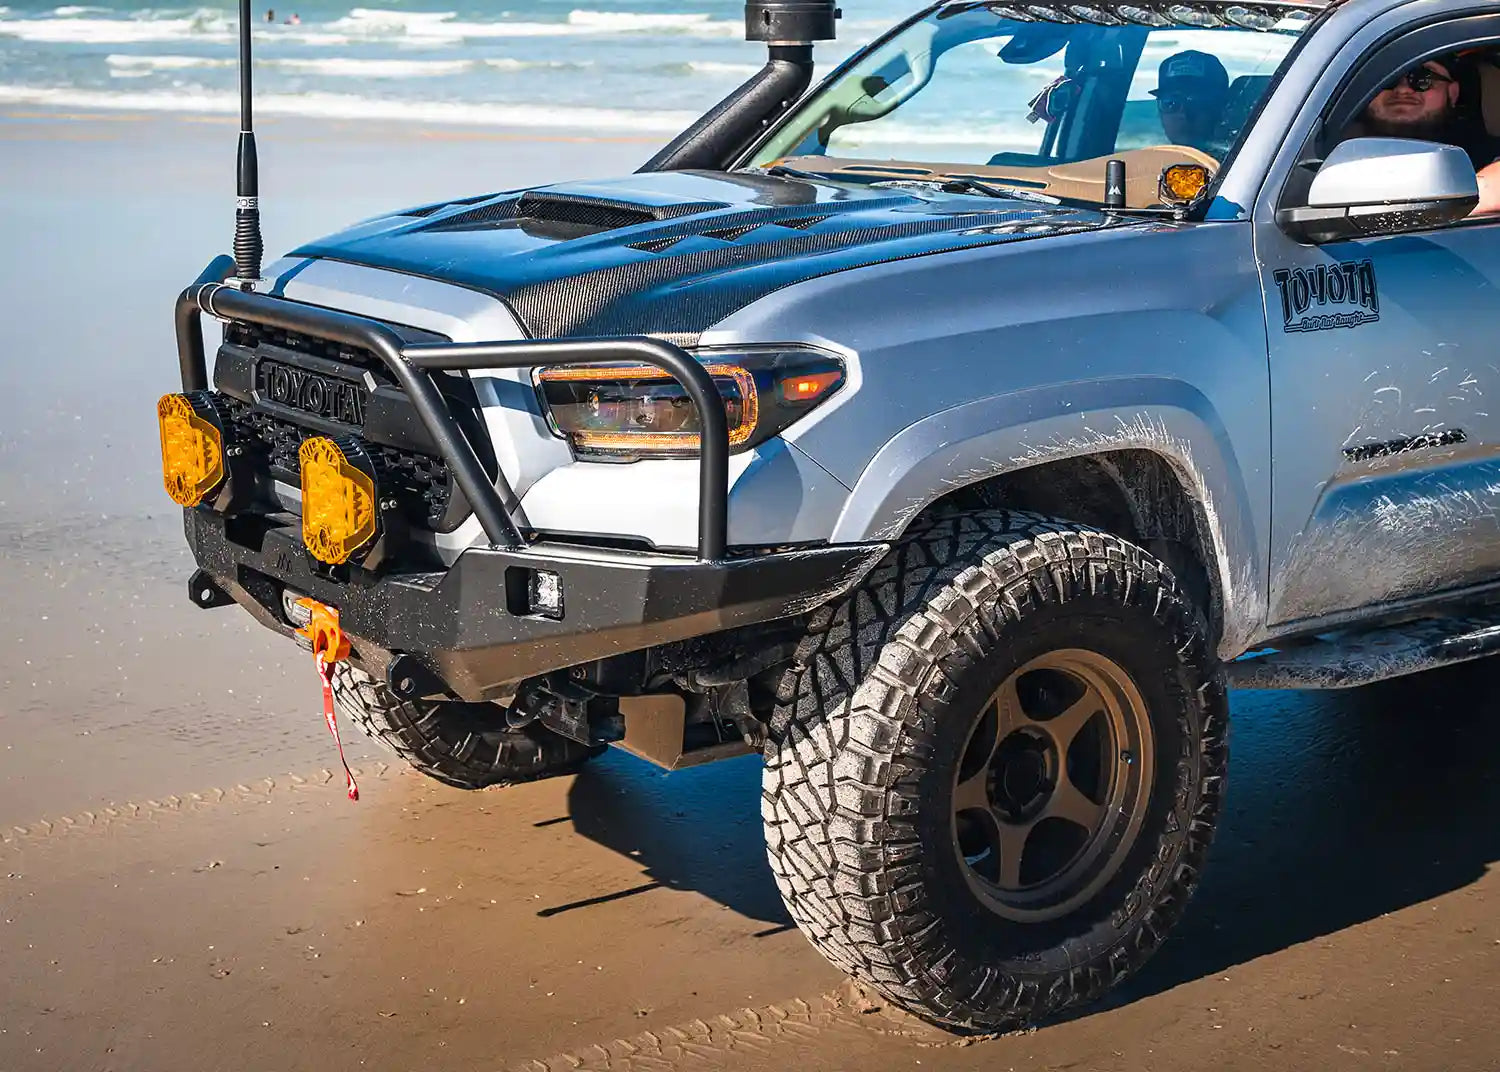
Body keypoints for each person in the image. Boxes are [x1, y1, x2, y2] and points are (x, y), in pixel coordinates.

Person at [1353, 56, 1500, 214]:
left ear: (1453, 93)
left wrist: (1479, 193)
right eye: (1388, 79)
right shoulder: (1332, 157)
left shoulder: (1487, 157)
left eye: (1422, 78)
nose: (1403, 90)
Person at [1149, 50, 1229, 154]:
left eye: (1197, 103)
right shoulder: (1146, 166)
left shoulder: (1246, 163)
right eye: (1170, 103)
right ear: (1159, 112)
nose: (1184, 114)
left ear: (1221, 110)